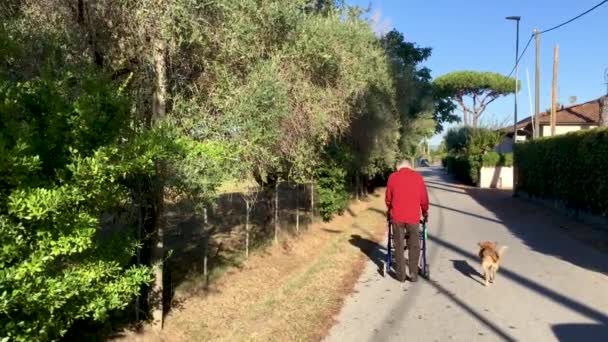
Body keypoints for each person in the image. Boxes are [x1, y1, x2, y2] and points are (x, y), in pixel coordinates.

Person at [385, 159, 429, 282]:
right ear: (410, 166)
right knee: (414, 245)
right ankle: (413, 274)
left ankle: (401, 276)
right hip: (413, 218)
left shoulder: (393, 177)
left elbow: (388, 198)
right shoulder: (418, 177)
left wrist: (389, 210)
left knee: (398, 245)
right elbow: (424, 198)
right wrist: (425, 212)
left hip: (397, 217)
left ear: (399, 167)